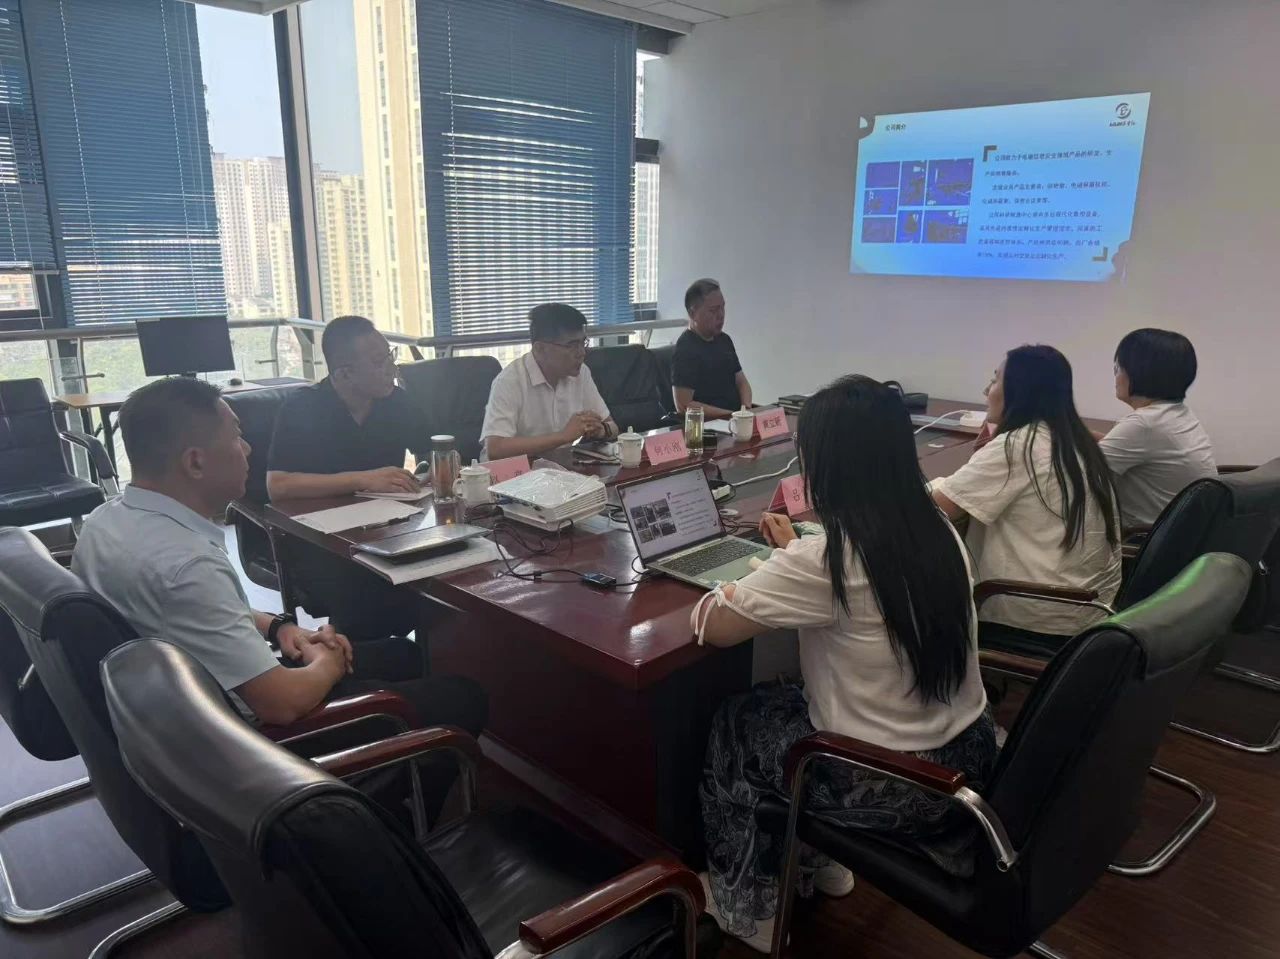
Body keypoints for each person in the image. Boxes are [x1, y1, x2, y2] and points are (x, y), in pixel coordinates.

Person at [73, 378, 485, 818]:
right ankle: (378, 828)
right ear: (195, 462)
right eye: (236, 437)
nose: (248, 449)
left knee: (402, 655)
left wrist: (279, 627)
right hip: (245, 747)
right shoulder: (185, 565)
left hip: (171, 713)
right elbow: (281, 704)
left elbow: (179, 612)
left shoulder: (106, 521)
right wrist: (327, 662)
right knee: (460, 697)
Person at [692, 376, 995, 954]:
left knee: (736, 724)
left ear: (826, 463)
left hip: (895, 786)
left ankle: (745, 908)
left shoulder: (829, 556)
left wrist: (741, 580)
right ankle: (821, 862)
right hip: (969, 762)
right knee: (783, 700)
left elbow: (714, 626)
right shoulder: (935, 527)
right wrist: (791, 558)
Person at [932, 345, 1122, 647]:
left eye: (995, 380)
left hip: (1034, 614)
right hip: (1085, 611)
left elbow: (936, 508)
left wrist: (935, 484)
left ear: (1019, 391)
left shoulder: (1020, 444)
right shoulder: (1075, 438)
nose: (987, 390)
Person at [267, 315, 431, 641]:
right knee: (363, 590)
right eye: (379, 362)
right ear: (344, 373)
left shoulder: (396, 401)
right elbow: (278, 486)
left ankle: (431, 657)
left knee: (439, 574)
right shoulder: (303, 407)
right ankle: (359, 660)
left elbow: (434, 455)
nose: (392, 368)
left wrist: (426, 477)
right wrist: (363, 479)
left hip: (388, 529)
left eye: (390, 356)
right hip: (320, 541)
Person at [1099, 328, 1216, 528]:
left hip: (1142, 539)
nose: (1115, 375)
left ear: (1138, 372)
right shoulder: (1177, 413)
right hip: (1186, 533)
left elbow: (1080, 472)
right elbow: (1126, 450)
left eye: (1118, 368)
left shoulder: (1144, 424)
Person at [480, 303, 618, 460]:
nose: (581, 353)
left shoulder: (581, 372)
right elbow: (495, 448)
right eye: (571, 345)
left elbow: (613, 427)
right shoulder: (510, 381)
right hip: (514, 471)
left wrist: (601, 430)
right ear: (539, 349)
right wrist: (563, 436)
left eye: (583, 343)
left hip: (561, 467)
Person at [671, 279, 753, 418]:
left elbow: (741, 382)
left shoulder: (724, 340)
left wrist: (746, 409)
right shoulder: (685, 349)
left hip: (735, 420)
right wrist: (730, 415)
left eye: (722, 307)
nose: (721, 315)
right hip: (709, 425)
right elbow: (684, 405)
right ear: (692, 313)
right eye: (713, 310)